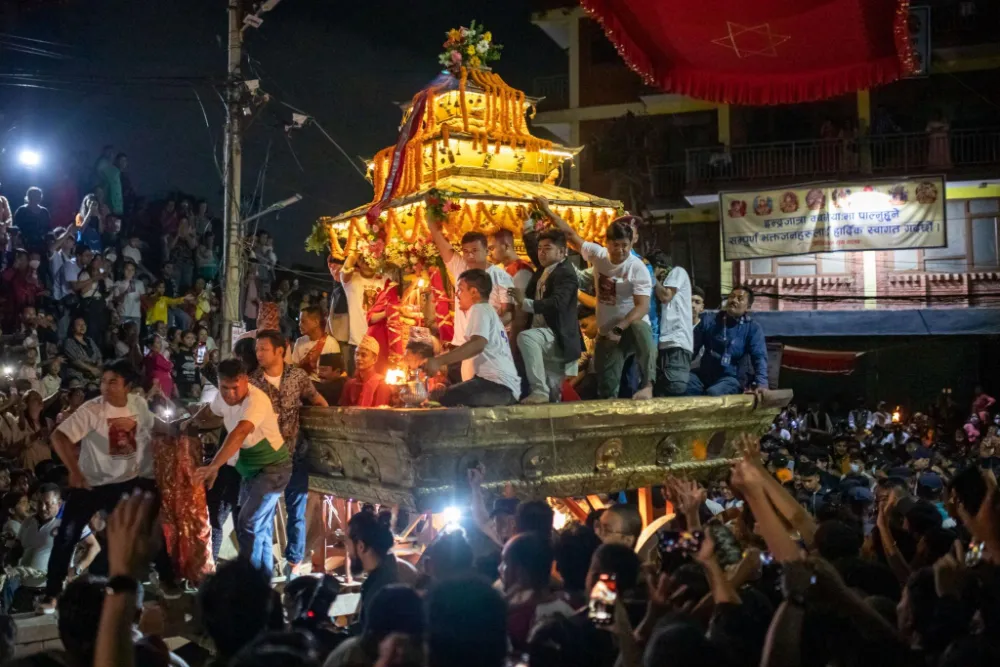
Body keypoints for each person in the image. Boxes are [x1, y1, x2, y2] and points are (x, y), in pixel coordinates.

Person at [41, 359, 178, 612]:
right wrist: (74, 471)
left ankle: (167, 580)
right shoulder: (92, 410)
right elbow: (58, 436)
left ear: (128, 386)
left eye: (112, 382)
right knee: (67, 536)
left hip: (126, 483)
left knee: (148, 529)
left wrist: (175, 429)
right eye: (103, 381)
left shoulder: (137, 404)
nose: (105, 386)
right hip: (91, 484)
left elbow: (153, 423)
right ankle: (52, 594)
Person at [535, 196, 655, 399]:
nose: (622, 250)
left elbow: (642, 307)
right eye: (616, 245)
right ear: (607, 244)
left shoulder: (637, 267)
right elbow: (570, 235)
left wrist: (621, 327)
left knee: (641, 328)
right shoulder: (598, 255)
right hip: (607, 332)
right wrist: (547, 211)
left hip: (630, 327)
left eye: (625, 245)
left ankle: (648, 385)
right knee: (606, 386)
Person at [190, 358, 292, 574]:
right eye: (224, 388)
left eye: (235, 388)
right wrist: (187, 424)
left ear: (245, 381)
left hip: (274, 468)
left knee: (247, 523)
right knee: (258, 528)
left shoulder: (256, 401)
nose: (229, 394)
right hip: (250, 470)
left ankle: (248, 579)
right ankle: (262, 579)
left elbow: (239, 432)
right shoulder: (222, 398)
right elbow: (210, 412)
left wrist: (214, 466)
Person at [250, 330, 328, 578]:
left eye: (263, 349)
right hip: (267, 458)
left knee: (297, 512)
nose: (259, 354)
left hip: (295, 453)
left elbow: (318, 400)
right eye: (257, 349)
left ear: (280, 351)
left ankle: (294, 562)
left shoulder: (298, 377)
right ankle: (262, 568)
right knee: (265, 513)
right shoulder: (253, 382)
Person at [427, 198, 513, 380]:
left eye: (475, 250)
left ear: (486, 250)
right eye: (466, 251)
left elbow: (509, 313)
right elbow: (438, 239)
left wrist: (487, 325)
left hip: (487, 348)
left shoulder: (501, 276)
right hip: (460, 346)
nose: (470, 256)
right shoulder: (460, 268)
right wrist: (430, 208)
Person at [424, 269, 521, 407]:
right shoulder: (487, 311)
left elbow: (477, 344)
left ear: (474, 292)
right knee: (441, 396)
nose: (457, 295)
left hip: (496, 387)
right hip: (499, 387)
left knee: (439, 399)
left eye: (460, 290)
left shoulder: (479, 309)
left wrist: (439, 361)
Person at [509, 229, 582, 404]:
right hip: (543, 336)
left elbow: (557, 304)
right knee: (553, 392)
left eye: (547, 248)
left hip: (556, 335)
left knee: (526, 338)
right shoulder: (546, 268)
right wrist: (528, 227)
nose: (541, 252)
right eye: (540, 248)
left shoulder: (567, 274)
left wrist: (525, 302)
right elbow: (535, 251)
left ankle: (539, 391)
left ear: (562, 251)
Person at [687, 286, 767, 396]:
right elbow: (691, 349)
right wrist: (678, 371)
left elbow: (759, 357)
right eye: (732, 297)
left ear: (747, 307)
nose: (733, 300)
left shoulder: (752, 328)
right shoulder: (709, 320)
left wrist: (761, 384)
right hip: (704, 376)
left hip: (731, 379)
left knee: (713, 393)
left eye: (739, 298)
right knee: (683, 383)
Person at [345, 510, 398, 631]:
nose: (348, 552)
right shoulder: (386, 571)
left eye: (348, 544)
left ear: (361, 546)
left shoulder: (381, 588)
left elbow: (371, 640)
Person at [334, 253, 383, 377]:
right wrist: (356, 251)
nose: (367, 262)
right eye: (363, 259)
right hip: (357, 343)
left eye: (371, 258)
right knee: (356, 384)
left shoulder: (385, 279)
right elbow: (344, 271)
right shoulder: (351, 279)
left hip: (380, 343)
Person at [653, 256, 693, 397]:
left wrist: (650, 275)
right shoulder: (659, 285)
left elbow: (666, 296)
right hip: (663, 345)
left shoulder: (677, 272)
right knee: (659, 394)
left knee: (674, 389)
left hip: (677, 343)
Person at [291, 305, 341, 382]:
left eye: (303, 321)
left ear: (316, 322)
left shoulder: (331, 344)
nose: (299, 324)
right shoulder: (299, 342)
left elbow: (335, 374)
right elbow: (294, 369)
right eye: (299, 321)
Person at [339, 335, 392, 407]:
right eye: (356, 354)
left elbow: (380, 414)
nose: (358, 358)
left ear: (374, 359)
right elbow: (342, 412)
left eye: (363, 355)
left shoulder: (381, 384)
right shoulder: (349, 384)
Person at [490, 228, 534, 293]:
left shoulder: (521, 270)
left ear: (506, 246)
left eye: (492, 248)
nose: (489, 253)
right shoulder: (504, 269)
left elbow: (519, 301)